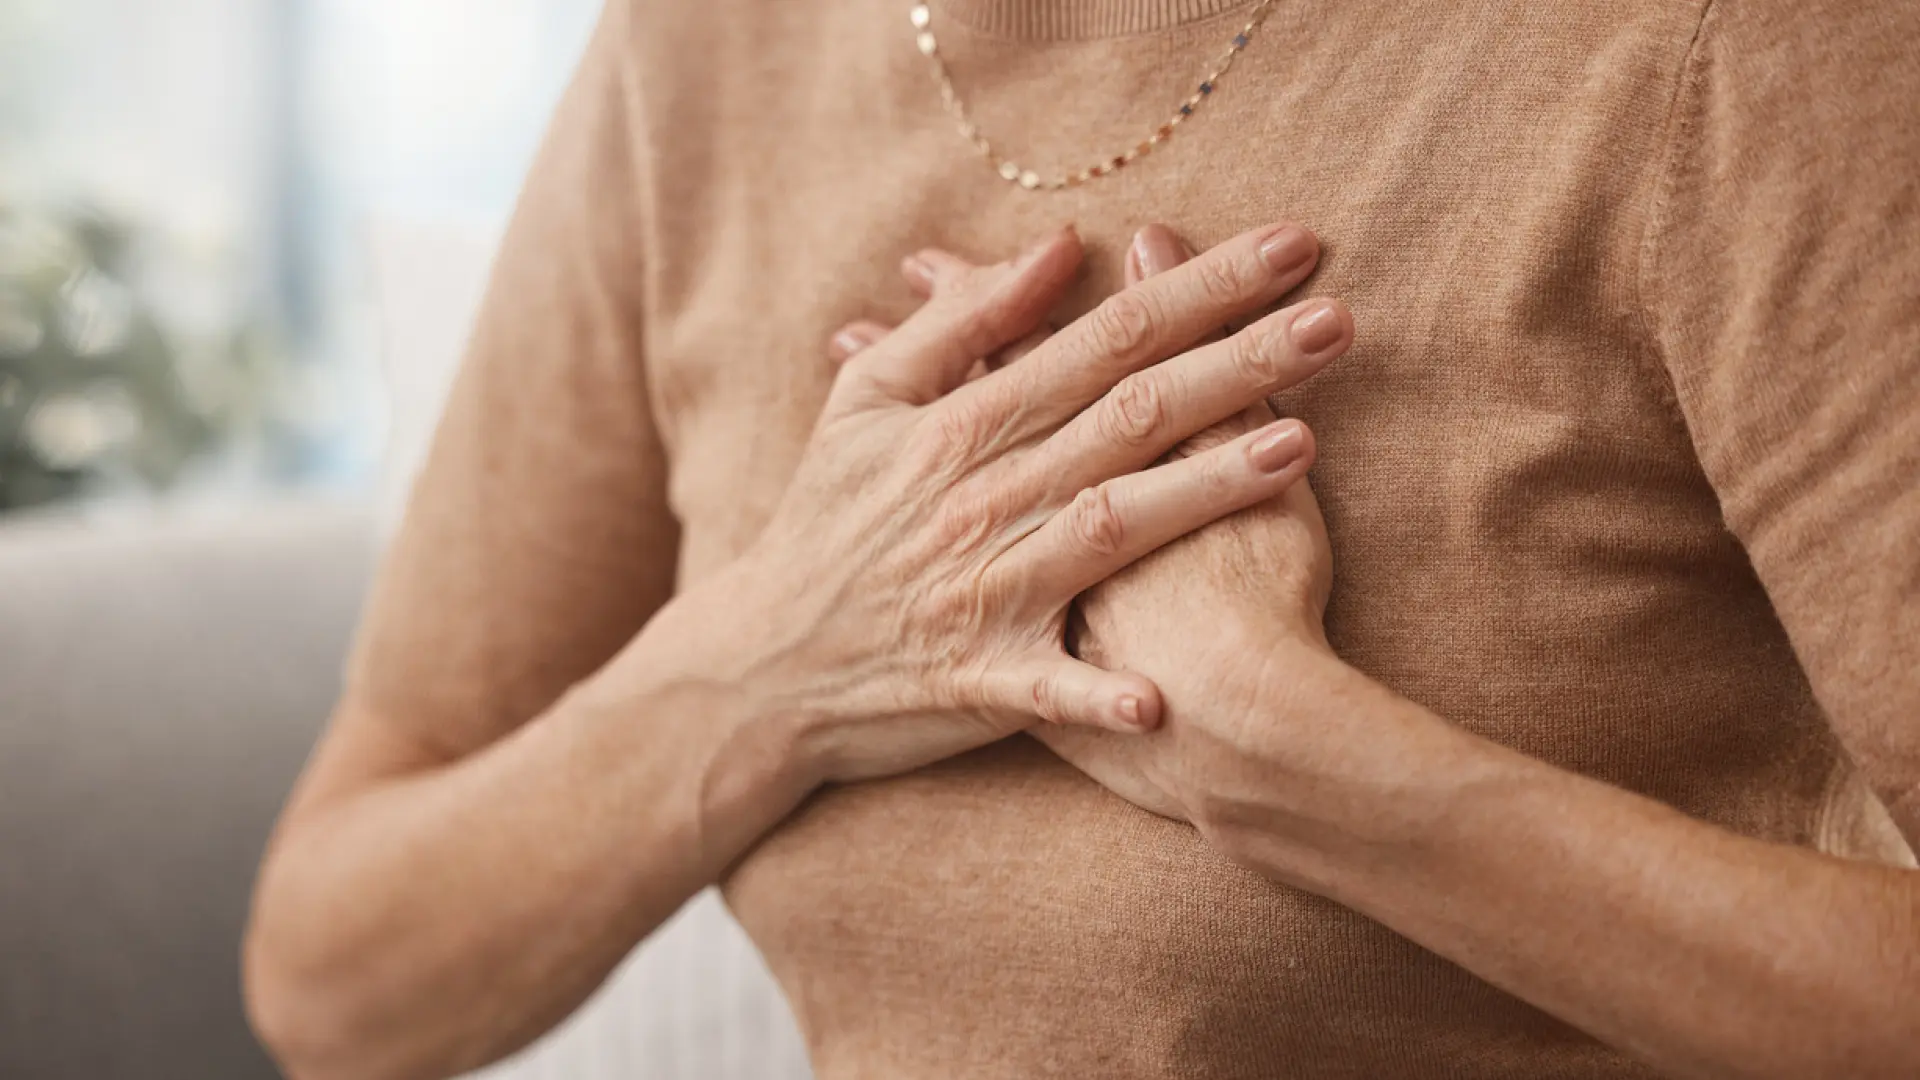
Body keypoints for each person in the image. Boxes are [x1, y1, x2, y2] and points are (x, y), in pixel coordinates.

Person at [243, 1, 1920, 1077]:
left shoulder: (1730, 50)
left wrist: (1312, 771)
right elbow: (337, 983)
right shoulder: (695, 59)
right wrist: (782, 665)